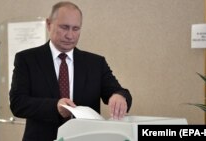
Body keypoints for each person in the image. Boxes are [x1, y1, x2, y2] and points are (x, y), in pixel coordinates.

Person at [9, 1, 132, 141]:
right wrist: (55, 107)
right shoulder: (27, 59)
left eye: (76, 29)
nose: (70, 35)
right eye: (64, 27)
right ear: (49, 24)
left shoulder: (95, 63)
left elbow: (120, 91)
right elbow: (18, 103)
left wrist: (119, 96)